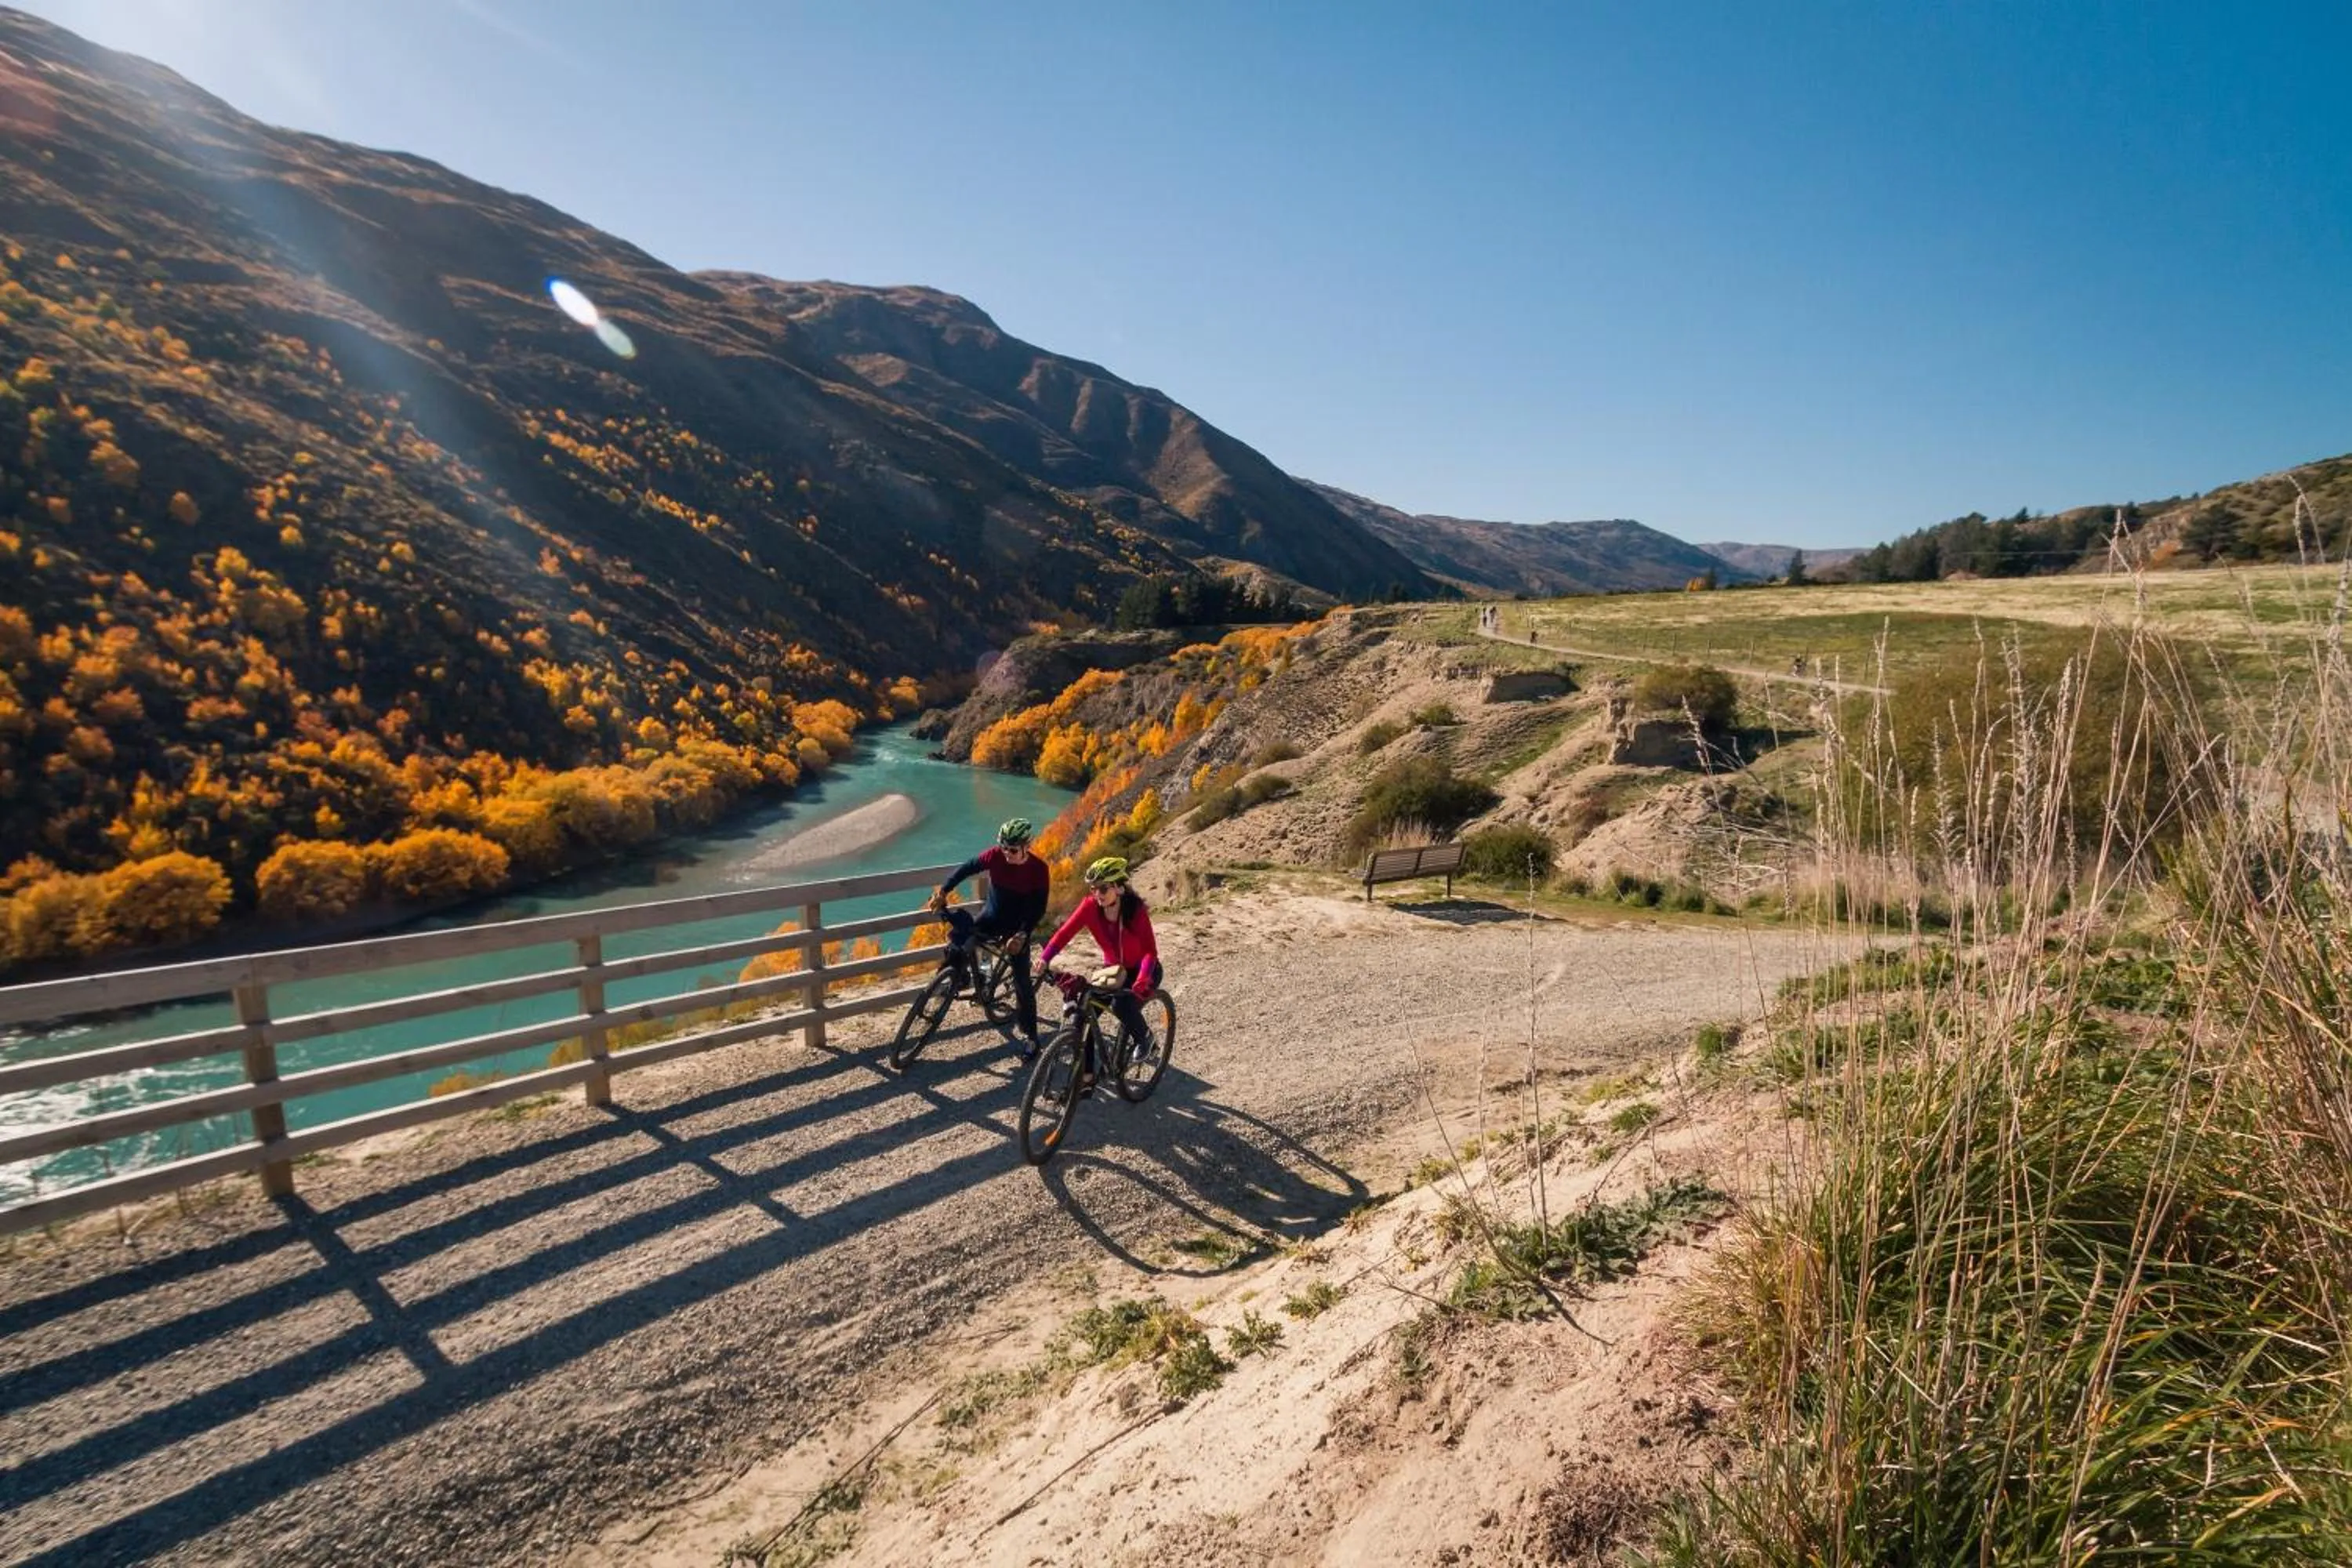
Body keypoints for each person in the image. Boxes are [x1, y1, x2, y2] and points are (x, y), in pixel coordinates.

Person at [927, 818, 1051, 1055]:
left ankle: (1032, 1038)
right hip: (991, 919)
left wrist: (1023, 934)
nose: (1006, 854)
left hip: (1018, 928)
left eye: (1012, 849)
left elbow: (1038, 909)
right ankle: (966, 980)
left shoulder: (1038, 870)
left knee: (1022, 982)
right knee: (960, 944)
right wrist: (943, 891)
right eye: (1003, 847)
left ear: (1027, 846)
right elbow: (968, 867)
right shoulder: (995, 856)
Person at [1036, 855, 1161, 1089]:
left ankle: (1146, 1039)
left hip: (1144, 970)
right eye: (1094, 889)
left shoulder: (1136, 910)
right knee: (1085, 1012)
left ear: (1118, 887)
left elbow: (1150, 952)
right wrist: (1045, 959)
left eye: (1103, 888)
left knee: (1121, 1006)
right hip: (1114, 971)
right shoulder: (1090, 907)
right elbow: (1064, 934)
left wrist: (1144, 978)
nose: (1098, 894)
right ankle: (1087, 1076)